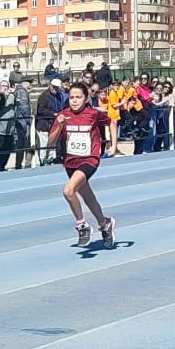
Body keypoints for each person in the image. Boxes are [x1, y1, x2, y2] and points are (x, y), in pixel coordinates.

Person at [50, 82, 115, 247]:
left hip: (89, 159)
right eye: (71, 97)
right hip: (71, 162)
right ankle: (104, 223)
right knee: (88, 197)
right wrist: (60, 126)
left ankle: (82, 225)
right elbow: (50, 142)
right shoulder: (63, 115)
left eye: (78, 97)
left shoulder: (93, 114)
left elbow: (112, 122)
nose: (74, 100)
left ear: (86, 98)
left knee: (68, 191)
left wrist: (113, 145)